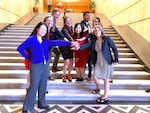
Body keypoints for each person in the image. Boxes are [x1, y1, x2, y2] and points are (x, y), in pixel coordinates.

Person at [17, 22, 77, 113]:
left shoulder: (45, 41)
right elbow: (20, 48)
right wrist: (28, 57)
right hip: (35, 65)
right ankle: (27, 107)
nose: (43, 31)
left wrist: (70, 43)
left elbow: (58, 42)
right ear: (37, 29)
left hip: (45, 65)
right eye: (41, 29)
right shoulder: (31, 39)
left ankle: (42, 103)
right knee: (33, 85)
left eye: (45, 30)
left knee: (43, 85)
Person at [91, 25, 118, 103]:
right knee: (95, 76)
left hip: (106, 60)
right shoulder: (94, 41)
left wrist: (116, 59)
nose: (97, 31)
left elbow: (114, 48)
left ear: (101, 31)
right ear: (94, 32)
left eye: (98, 30)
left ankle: (105, 96)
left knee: (106, 79)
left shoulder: (106, 39)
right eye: (95, 30)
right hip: (98, 61)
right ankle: (97, 88)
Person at [59, 16, 74, 82]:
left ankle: (69, 74)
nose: (69, 22)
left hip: (70, 46)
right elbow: (69, 37)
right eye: (67, 21)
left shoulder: (71, 28)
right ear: (65, 23)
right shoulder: (64, 29)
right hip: (64, 47)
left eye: (70, 21)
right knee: (67, 61)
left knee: (71, 61)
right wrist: (75, 43)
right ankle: (64, 75)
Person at [50, 8, 64, 72]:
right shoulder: (50, 20)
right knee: (48, 58)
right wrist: (62, 36)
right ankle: (48, 75)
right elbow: (53, 31)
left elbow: (54, 31)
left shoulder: (54, 21)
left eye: (58, 15)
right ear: (52, 14)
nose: (57, 16)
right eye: (56, 14)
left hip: (52, 42)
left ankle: (54, 67)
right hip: (48, 43)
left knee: (57, 53)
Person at [80, 11, 92, 81]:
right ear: (83, 16)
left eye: (89, 16)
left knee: (90, 61)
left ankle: (89, 75)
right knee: (85, 61)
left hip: (89, 45)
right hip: (84, 46)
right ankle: (82, 75)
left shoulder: (88, 24)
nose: (88, 17)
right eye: (87, 16)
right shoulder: (81, 25)